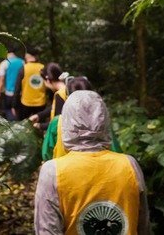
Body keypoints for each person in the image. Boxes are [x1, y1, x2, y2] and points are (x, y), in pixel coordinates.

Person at [34, 90, 150, 235]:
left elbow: (46, 231)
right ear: (105, 122)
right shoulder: (130, 165)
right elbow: (143, 227)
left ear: (67, 125)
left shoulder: (52, 171)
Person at [28, 63, 66, 131]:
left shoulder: (60, 95)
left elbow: (58, 123)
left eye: (44, 82)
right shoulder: (67, 87)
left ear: (47, 79)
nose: (45, 86)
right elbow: (55, 107)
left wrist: (40, 126)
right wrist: (39, 116)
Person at [13, 51, 46, 120]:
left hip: (26, 102)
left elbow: (17, 89)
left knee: (22, 124)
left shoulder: (23, 69)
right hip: (41, 102)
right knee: (39, 125)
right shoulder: (43, 68)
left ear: (26, 56)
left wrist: (14, 105)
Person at [0, 49, 24, 121]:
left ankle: (12, 125)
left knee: (8, 110)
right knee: (19, 111)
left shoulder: (4, 63)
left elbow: (2, 80)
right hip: (21, 93)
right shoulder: (22, 62)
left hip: (9, 93)